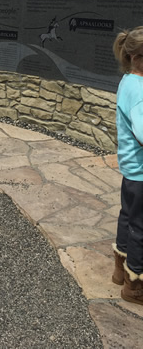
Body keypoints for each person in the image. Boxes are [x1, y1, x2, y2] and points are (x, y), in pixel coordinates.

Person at [112, 27, 143, 305]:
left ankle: (120, 268)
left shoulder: (127, 81)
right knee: (141, 226)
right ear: (137, 58)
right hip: (142, 173)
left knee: (127, 217)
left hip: (131, 169)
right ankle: (134, 286)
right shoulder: (141, 90)